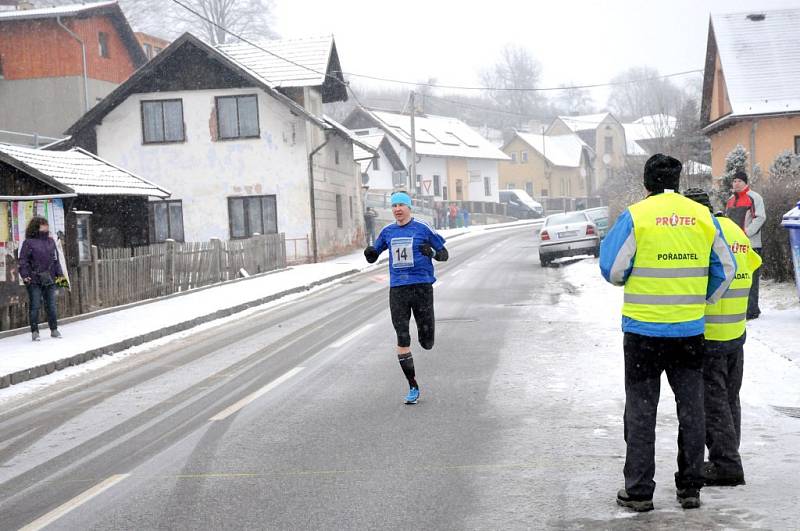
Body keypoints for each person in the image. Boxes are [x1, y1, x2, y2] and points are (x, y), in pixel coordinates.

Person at [600, 154, 736, 512]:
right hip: (689, 334)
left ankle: (639, 490)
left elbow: (612, 270)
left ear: (646, 183)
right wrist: (697, 299)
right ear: (677, 181)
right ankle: (690, 488)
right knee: (692, 410)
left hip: (643, 333)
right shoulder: (703, 217)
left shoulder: (636, 216)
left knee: (641, 412)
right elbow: (726, 268)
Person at [684, 188, 761, 488]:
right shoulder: (734, 229)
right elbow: (753, 264)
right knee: (730, 398)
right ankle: (728, 453)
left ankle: (726, 464)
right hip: (736, 331)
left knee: (713, 402)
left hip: (711, 331)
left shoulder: (704, 234)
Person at [363, 191, 449, 404]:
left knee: (426, 341)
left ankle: (426, 337)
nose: (397, 209)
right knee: (402, 337)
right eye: (394, 206)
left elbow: (444, 254)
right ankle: (413, 386)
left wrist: (432, 252)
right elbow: (375, 254)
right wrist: (370, 253)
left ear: (409, 207)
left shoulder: (422, 228)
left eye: (401, 205)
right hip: (399, 289)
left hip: (421, 288)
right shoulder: (388, 231)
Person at [18, 216, 67, 341]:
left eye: (46, 224)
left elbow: (56, 261)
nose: (46, 226)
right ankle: (35, 332)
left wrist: (60, 277)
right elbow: (23, 261)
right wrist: (25, 276)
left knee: (51, 305)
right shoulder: (28, 242)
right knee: (35, 305)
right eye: (43, 224)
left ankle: (54, 330)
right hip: (34, 279)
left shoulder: (51, 241)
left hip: (49, 279)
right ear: (37, 227)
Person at [725, 171, 765, 319]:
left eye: (739, 181)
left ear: (745, 182)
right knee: (738, 278)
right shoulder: (730, 200)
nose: (736, 184)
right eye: (734, 181)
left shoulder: (754, 197)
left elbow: (760, 217)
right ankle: (740, 308)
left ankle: (752, 310)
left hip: (751, 245)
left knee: (751, 278)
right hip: (733, 246)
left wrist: (746, 233)